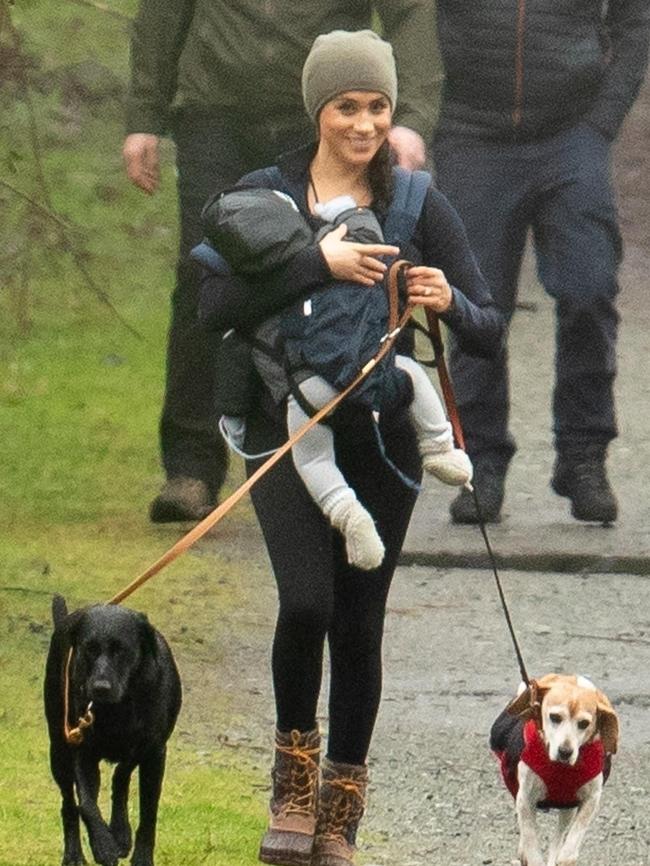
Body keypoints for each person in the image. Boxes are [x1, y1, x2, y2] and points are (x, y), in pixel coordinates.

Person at [199, 30, 504, 866]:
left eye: (377, 107)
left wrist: (447, 301)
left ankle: (342, 807)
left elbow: (488, 328)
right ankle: (291, 785)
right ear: (319, 110)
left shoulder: (416, 204)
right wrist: (315, 263)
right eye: (347, 107)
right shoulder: (262, 194)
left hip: (380, 430)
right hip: (284, 428)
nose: (364, 124)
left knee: (359, 620)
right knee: (306, 602)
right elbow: (208, 306)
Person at [122, 0, 441, 523]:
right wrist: (144, 116)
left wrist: (410, 118)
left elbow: (409, 13)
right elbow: (163, 12)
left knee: (345, 275)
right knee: (205, 277)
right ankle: (193, 466)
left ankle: (346, 446)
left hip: (320, 114)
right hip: (215, 115)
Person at [432, 0, 650, 525]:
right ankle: (480, 463)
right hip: (469, 134)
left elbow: (635, 20)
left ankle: (583, 458)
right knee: (475, 304)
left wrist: (602, 120)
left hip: (571, 134)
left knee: (589, 288)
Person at [198, 185, 473, 572]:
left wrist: (236, 420)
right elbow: (365, 232)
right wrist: (342, 216)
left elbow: (234, 340)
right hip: (372, 369)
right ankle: (440, 447)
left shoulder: (257, 275)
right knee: (412, 374)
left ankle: (346, 513)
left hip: (306, 387)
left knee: (313, 461)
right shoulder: (333, 235)